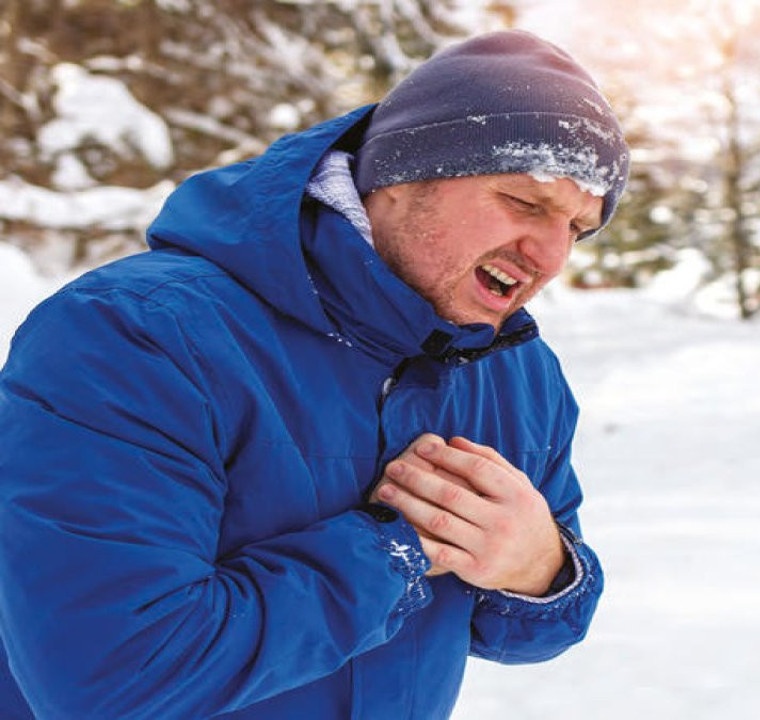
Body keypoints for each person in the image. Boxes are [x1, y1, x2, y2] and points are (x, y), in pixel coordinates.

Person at [0, 29, 628, 719]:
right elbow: (112, 678)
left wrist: (540, 569)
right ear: (401, 174)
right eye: (525, 202)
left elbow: (528, 629)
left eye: (578, 226)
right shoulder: (137, 334)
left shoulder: (517, 373)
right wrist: (396, 552)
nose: (550, 252)